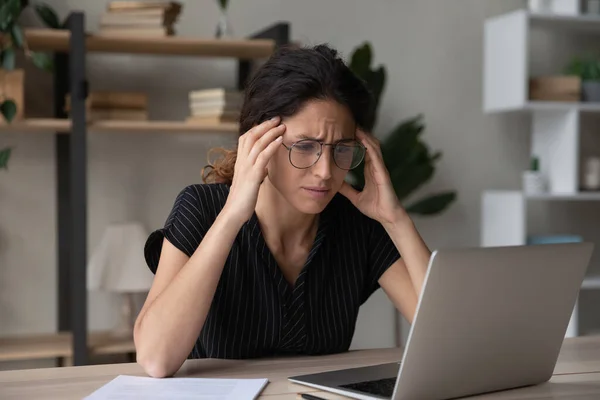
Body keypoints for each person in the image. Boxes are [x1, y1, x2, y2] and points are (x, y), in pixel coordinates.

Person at [134, 43, 432, 378]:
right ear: (260, 141)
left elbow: (446, 340)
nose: (325, 171)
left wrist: (396, 219)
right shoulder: (202, 208)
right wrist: (232, 216)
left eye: (342, 149)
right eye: (305, 147)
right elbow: (156, 358)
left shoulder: (357, 225)